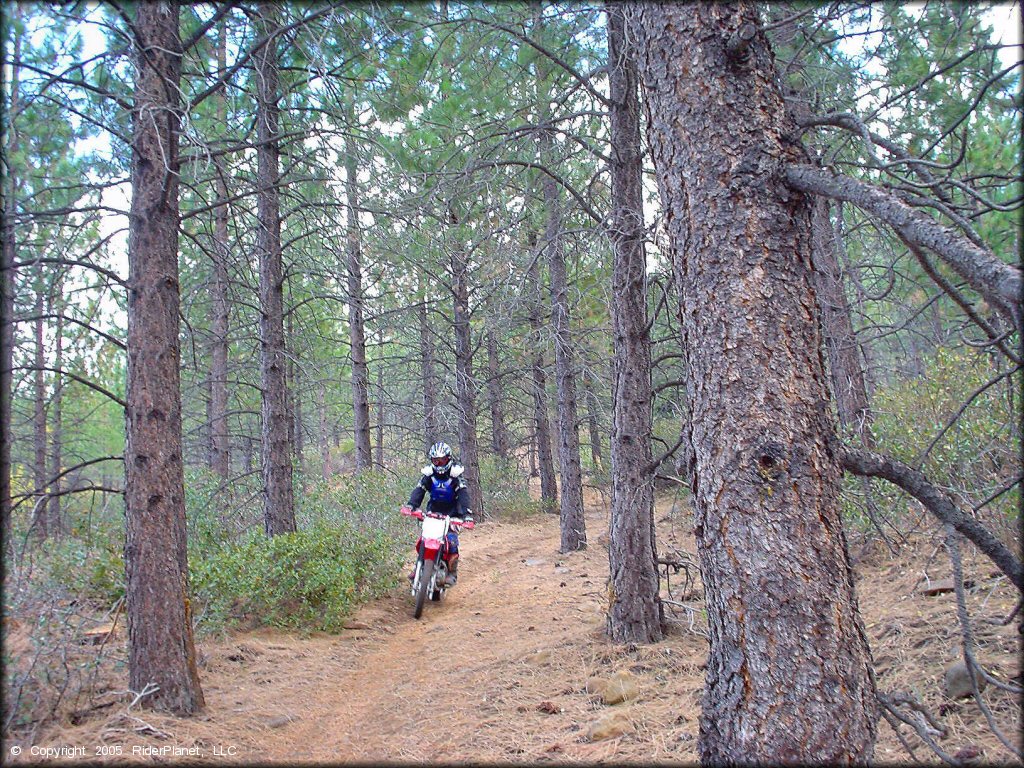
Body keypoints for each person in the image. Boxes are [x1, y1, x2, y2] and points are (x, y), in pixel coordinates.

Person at [404, 441, 473, 586]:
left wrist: (467, 515)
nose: (439, 463)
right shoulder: (429, 475)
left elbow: (463, 495)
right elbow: (419, 490)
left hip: (453, 514)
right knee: (424, 538)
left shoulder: (455, 475)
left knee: (451, 542)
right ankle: (418, 566)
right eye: (436, 460)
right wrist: (411, 505)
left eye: (442, 460)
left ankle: (451, 572)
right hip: (433, 512)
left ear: (448, 459)